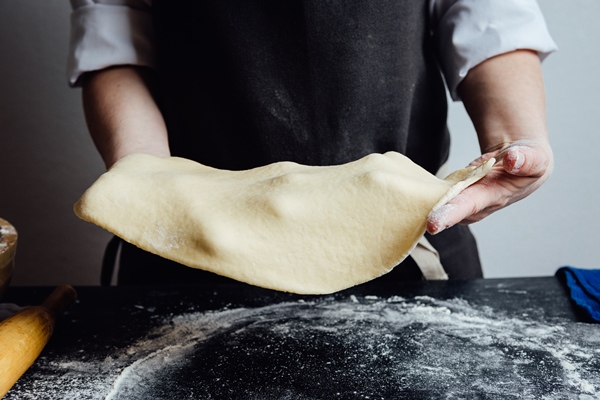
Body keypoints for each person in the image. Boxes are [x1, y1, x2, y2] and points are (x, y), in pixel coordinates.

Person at [68, 0, 557, 286]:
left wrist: (514, 141)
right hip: (187, 250)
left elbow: (492, 19)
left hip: (413, 239)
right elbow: (115, 27)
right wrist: (145, 182)